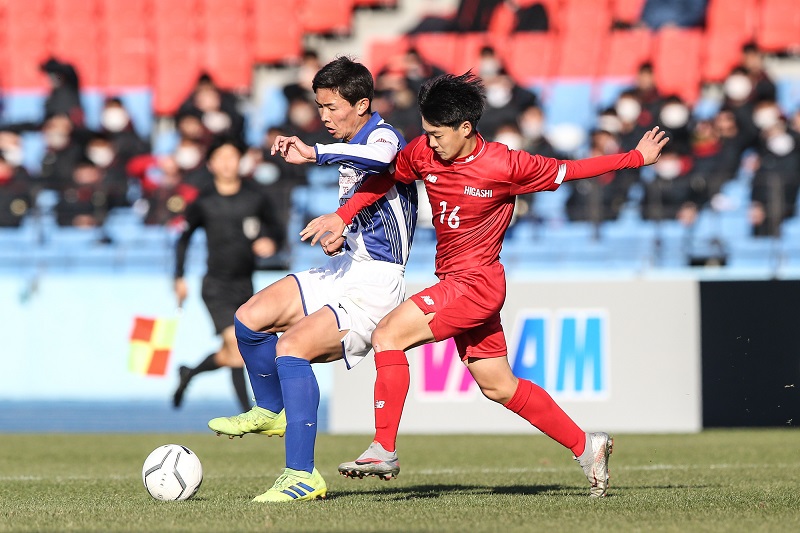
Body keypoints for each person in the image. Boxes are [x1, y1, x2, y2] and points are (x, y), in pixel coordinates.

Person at [302, 72, 669, 498]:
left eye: (438, 135)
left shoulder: (506, 164)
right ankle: (588, 446)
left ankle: (384, 448)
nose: (430, 143)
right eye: (426, 134)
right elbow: (386, 179)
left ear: (465, 128)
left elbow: (571, 170)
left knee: (388, 334)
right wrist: (343, 217)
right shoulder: (423, 152)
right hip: (459, 281)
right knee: (498, 384)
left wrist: (635, 159)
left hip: (476, 284)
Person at [205, 56, 417, 503]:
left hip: (374, 284)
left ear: (362, 104)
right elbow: (366, 209)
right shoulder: (348, 149)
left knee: (291, 347)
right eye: (319, 107)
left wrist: (312, 151)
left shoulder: (381, 136)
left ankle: (301, 475)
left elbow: (383, 159)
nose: (323, 117)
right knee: (250, 317)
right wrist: (341, 235)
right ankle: (271, 409)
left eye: (331, 107)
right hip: (345, 268)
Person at [172, 136, 285, 411]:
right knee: (236, 347)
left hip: (245, 285)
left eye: (232, 156)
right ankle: (249, 414)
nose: (226, 163)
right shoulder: (204, 201)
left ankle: (190, 373)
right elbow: (183, 238)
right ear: (211, 164)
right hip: (215, 286)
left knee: (235, 351)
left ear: (240, 161)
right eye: (220, 157)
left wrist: (271, 242)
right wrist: (179, 277)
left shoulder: (255, 197)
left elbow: (278, 230)